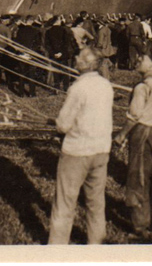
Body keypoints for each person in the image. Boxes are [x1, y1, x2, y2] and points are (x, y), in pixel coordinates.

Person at [47, 47, 114, 245]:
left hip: (77, 151)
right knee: (96, 203)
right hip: (101, 149)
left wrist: (57, 124)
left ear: (84, 64)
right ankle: (97, 245)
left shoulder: (78, 88)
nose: (75, 57)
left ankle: (57, 248)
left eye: (78, 56)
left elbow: (63, 124)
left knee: (65, 202)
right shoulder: (106, 85)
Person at [114, 55, 152, 242]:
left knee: (138, 179)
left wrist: (122, 135)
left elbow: (134, 115)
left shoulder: (142, 87)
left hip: (144, 133)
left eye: (144, 58)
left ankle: (140, 226)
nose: (138, 59)